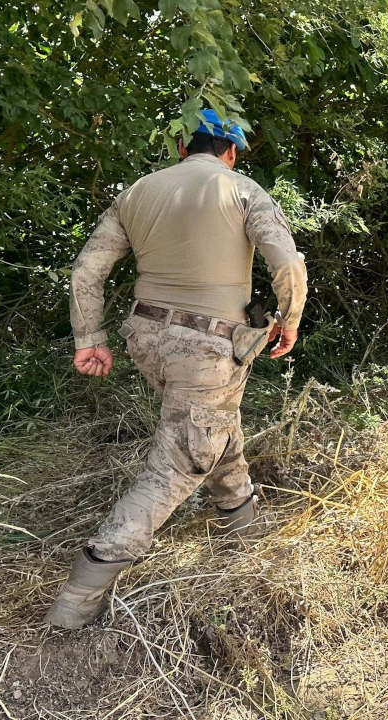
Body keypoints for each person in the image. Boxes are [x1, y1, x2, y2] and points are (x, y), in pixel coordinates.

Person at [45, 109, 308, 629]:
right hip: (208, 345)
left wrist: (89, 338)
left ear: (184, 148)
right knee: (183, 458)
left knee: (212, 429)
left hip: (146, 337)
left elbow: (87, 270)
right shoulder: (241, 190)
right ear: (230, 152)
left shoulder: (139, 191)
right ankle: (77, 598)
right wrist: (290, 320)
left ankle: (245, 534)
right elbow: (288, 264)